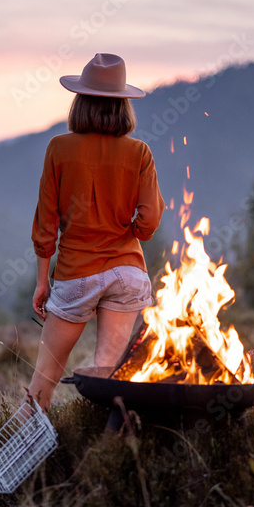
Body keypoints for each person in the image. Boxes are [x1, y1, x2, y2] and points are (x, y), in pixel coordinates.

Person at [27, 53, 164, 408]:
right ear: (123, 107)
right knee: (108, 380)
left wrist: (43, 282)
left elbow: (46, 225)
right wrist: (125, 232)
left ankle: (27, 458)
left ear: (80, 102)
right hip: (128, 274)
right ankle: (104, 452)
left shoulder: (59, 148)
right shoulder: (140, 153)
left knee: (44, 382)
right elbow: (148, 223)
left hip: (76, 274)